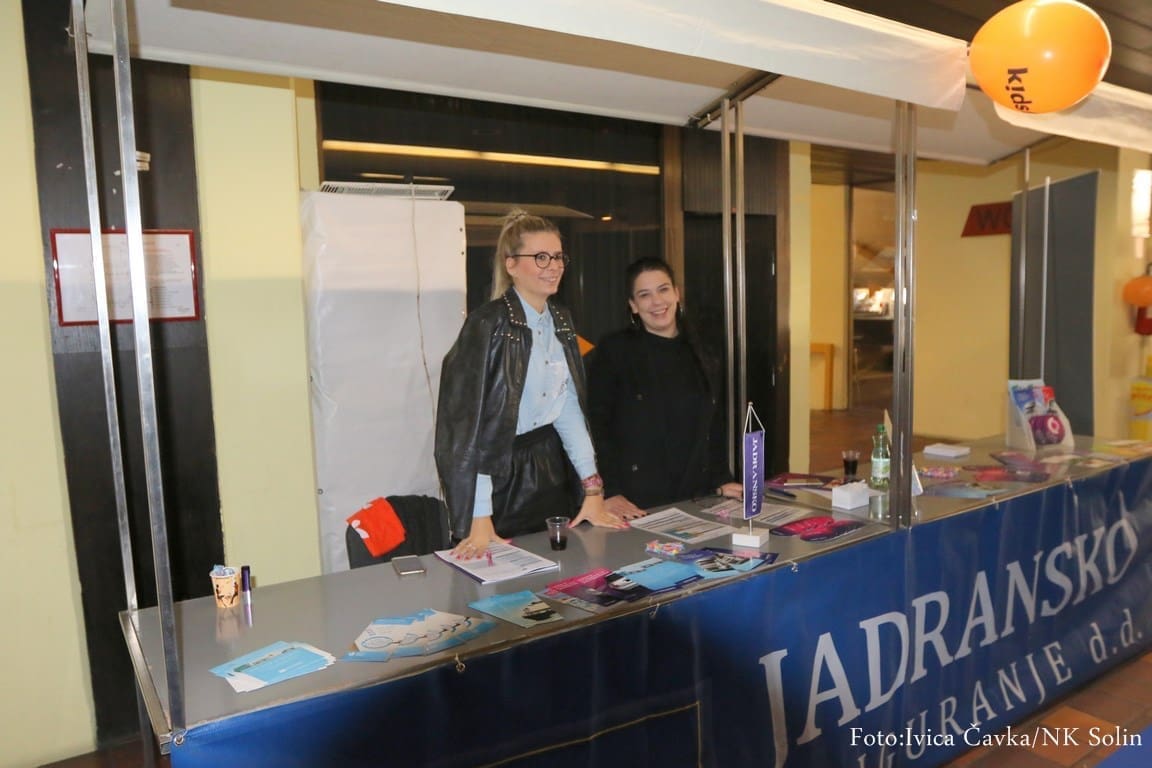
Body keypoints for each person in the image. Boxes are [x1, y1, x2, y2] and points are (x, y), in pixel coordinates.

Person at [435, 209, 627, 559]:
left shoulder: (561, 320)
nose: (553, 266)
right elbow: (470, 426)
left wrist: (593, 489)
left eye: (558, 257)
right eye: (540, 257)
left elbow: (568, 409)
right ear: (511, 264)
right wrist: (479, 514)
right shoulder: (487, 324)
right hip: (496, 480)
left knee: (560, 571)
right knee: (498, 581)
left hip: (549, 472)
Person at [587, 257, 742, 518]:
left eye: (663, 289)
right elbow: (597, 427)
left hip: (696, 494)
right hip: (636, 501)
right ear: (633, 305)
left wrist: (722, 478)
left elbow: (714, 423)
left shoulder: (703, 348)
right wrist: (609, 490)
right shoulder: (614, 351)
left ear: (676, 294)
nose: (657, 301)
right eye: (644, 295)